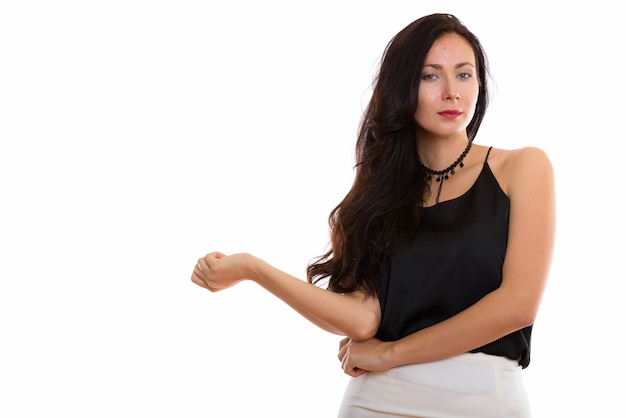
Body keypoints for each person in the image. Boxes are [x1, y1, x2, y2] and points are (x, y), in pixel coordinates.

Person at [191, 12, 555, 418]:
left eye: (464, 74)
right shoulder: (377, 196)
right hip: (377, 402)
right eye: (430, 76)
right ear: (401, 87)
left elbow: (518, 305)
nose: (452, 92)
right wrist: (254, 269)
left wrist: (391, 353)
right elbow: (364, 320)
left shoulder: (522, 168)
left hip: (484, 401)